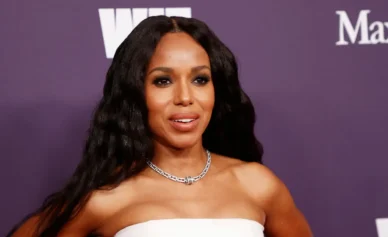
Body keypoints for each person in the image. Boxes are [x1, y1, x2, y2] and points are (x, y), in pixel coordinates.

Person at [8, 16, 313, 237]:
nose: (185, 97)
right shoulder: (108, 196)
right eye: (163, 81)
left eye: (200, 79)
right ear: (136, 93)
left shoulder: (258, 185)